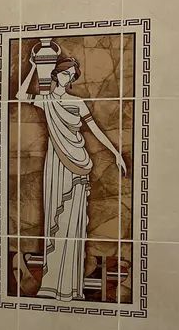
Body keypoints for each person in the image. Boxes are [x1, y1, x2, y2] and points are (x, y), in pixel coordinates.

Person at [16, 53, 126, 301]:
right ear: (56, 74)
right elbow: (21, 95)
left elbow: (95, 129)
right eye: (65, 73)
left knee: (74, 223)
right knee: (55, 219)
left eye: (72, 75)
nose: (68, 78)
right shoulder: (47, 101)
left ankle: (70, 286)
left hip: (79, 163)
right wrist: (32, 68)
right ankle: (53, 283)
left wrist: (115, 153)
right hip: (56, 164)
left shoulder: (77, 103)